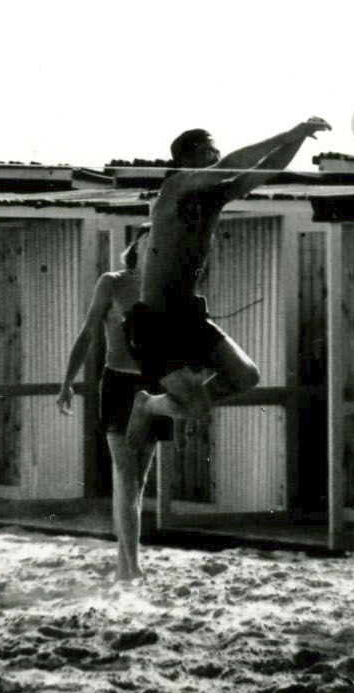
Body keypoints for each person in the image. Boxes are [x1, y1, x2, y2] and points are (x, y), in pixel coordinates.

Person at [124, 115, 330, 449]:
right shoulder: (174, 188)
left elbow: (264, 170)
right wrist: (286, 132)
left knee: (246, 375)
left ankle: (170, 404)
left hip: (188, 314)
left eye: (215, 152)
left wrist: (300, 138)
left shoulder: (215, 197)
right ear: (185, 161)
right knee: (196, 408)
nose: (214, 159)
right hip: (155, 320)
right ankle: (150, 404)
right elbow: (231, 165)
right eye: (207, 153)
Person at [58, 225, 171, 581]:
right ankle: (132, 565)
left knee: (138, 480)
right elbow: (88, 332)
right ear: (135, 244)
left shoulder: (166, 286)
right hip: (119, 383)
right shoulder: (112, 282)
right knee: (124, 474)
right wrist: (67, 383)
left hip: (153, 385)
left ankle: (125, 565)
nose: (153, 244)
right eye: (147, 238)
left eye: (159, 241)